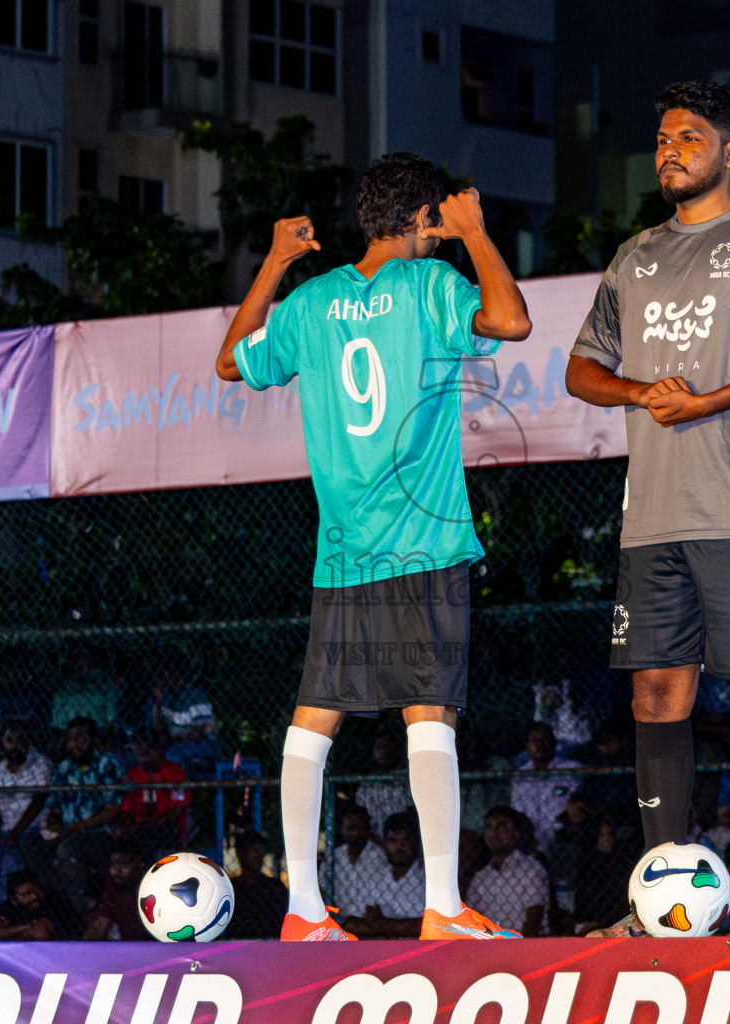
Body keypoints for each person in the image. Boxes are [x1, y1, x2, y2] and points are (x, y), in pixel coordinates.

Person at [215, 151, 531, 941]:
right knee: (430, 715)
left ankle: (301, 914)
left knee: (313, 720)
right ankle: (445, 910)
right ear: (424, 219)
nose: (442, 234)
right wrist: (479, 236)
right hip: (422, 543)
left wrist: (278, 263)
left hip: (346, 552)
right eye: (439, 223)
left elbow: (230, 361)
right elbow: (511, 321)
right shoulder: (430, 286)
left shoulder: (313, 300)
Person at [565, 79, 730, 937]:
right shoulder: (635, 255)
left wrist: (708, 401)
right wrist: (645, 391)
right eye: (662, 138)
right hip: (653, 519)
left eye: (689, 136)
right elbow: (581, 370)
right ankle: (658, 905)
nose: (669, 149)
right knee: (655, 696)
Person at [35, 716, 123, 902]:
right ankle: (72, 908)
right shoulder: (64, 768)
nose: (75, 743)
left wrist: (72, 829)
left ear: (94, 740)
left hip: (100, 830)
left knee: (77, 852)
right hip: (70, 831)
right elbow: (55, 807)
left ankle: (98, 903)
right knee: (43, 852)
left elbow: (111, 810)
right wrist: (54, 825)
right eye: (71, 738)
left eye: (82, 737)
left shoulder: (105, 764)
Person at [341, 811, 427, 938]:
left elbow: (427, 927)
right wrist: (396, 928)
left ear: (415, 841)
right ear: (384, 842)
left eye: (405, 839)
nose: (400, 846)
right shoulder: (376, 876)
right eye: (393, 840)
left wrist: (381, 924)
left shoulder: (426, 878)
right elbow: (350, 924)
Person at [466, 806, 549, 938]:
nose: (493, 832)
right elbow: (470, 920)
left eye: (501, 827)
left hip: (522, 945)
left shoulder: (531, 869)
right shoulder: (481, 876)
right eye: (489, 827)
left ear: (516, 834)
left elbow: (534, 919)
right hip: (487, 946)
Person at [509, 722, 584, 853]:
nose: (540, 744)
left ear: (555, 743)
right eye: (534, 740)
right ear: (527, 745)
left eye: (546, 740)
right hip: (530, 840)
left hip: (563, 837)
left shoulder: (572, 768)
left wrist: (559, 791)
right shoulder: (520, 775)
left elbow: (568, 792)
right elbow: (517, 809)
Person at [116, 729, 191, 854]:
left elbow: (176, 812)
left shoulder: (174, 773)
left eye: (147, 753)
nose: (143, 759)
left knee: (161, 837)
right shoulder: (134, 774)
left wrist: (151, 824)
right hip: (139, 830)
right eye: (138, 754)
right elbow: (127, 809)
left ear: (158, 750)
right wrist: (125, 826)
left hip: (167, 829)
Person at [0, 726, 53, 848]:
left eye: (19, 740)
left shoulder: (41, 762)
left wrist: (14, 834)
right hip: (7, 828)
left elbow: (38, 801)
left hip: (35, 827)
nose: (15, 746)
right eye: (10, 740)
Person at [571, 817, 637, 935]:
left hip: (618, 922)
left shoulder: (623, 865)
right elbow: (581, 906)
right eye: (602, 835)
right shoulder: (585, 868)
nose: (607, 839)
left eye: (610, 835)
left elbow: (623, 905)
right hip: (589, 922)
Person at [0, 869, 83, 941]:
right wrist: (28, 927)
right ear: (14, 899)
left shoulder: (54, 899)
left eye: (37, 890)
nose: (34, 897)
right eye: (26, 894)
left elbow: (41, 932)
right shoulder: (9, 907)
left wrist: (5, 935)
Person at [324, 804, 388, 922]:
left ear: (368, 829)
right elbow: (322, 888)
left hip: (371, 920)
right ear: (342, 829)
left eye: (361, 828)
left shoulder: (380, 856)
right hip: (338, 918)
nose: (356, 833)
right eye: (350, 828)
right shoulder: (334, 856)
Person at [225, 831, 290, 940]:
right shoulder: (231, 889)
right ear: (240, 853)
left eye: (261, 851)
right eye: (254, 851)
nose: (259, 856)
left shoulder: (275, 887)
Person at [83, 839, 149, 940]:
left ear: (140, 864)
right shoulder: (113, 884)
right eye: (114, 864)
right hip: (127, 947)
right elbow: (103, 921)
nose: (117, 870)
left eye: (123, 864)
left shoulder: (151, 886)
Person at [50, 646, 120, 731]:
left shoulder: (102, 681)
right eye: (75, 658)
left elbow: (111, 716)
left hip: (98, 732)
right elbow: (58, 723)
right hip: (72, 734)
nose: (79, 661)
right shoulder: (63, 688)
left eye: (84, 657)